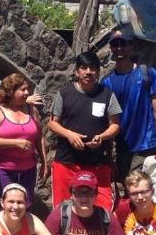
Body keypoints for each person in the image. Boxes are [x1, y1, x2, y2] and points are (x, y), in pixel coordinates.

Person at [47, 52, 121, 210]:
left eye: (93, 68)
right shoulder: (64, 94)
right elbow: (53, 124)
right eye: (84, 68)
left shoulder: (107, 95)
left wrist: (102, 137)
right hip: (67, 164)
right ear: (77, 72)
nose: (88, 71)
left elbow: (115, 125)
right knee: (63, 210)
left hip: (97, 165)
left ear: (98, 72)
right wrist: (69, 135)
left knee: (103, 209)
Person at [102, 30, 156, 183]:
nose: (119, 48)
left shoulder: (147, 74)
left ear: (131, 46)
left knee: (143, 190)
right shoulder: (107, 82)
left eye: (123, 43)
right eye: (115, 44)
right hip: (123, 146)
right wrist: (108, 154)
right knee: (130, 190)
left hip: (147, 143)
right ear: (111, 48)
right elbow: (108, 120)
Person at [0, 72, 48, 203]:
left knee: (26, 204)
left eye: (27, 89)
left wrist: (44, 161)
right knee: (8, 205)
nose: (27, 93)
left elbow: (39, 137)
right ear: (11, 92)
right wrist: (15, 143)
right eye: (22, 90)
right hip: (4, 169)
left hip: (28, 169)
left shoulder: (32, 110)